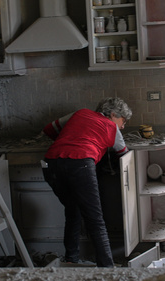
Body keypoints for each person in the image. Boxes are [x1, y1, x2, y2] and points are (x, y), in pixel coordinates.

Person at [41, 97, 132, 267]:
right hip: (80, 164)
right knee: (95, 219)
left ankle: (71, 259)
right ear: (113, 114)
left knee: (73, 210)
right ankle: (107, 268)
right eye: (123, 121)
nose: (123, 126)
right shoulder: (112, 127)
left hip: (51, 164)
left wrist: (70, 139)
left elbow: (49, 129)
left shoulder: (80, 113)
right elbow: (124, 154)